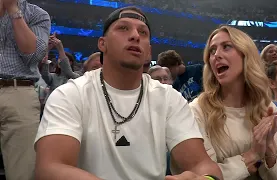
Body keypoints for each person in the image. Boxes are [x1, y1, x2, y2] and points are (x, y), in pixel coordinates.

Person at [34, 6, 223, 180]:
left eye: (143, 32)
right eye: (123, 28)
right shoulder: (70, 94)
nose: (135, 36)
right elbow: (51, 168)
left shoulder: (169, 98)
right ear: (102, 43)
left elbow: (202, 165)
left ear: (148, 52)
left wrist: (205, 179)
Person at [187, 26, 277, 180]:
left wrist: (270, 147)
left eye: (226, 47)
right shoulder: (197, 110)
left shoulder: (266, 108)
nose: (216, 55)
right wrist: (253, 155)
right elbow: (200, 175)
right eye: (212, 51)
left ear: (246, 55)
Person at [0, 0, 50, 179]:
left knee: (23, 171)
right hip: (19, 94)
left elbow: (33, 56)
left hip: (19, 92)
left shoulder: (38, 15)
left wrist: (13, 10)